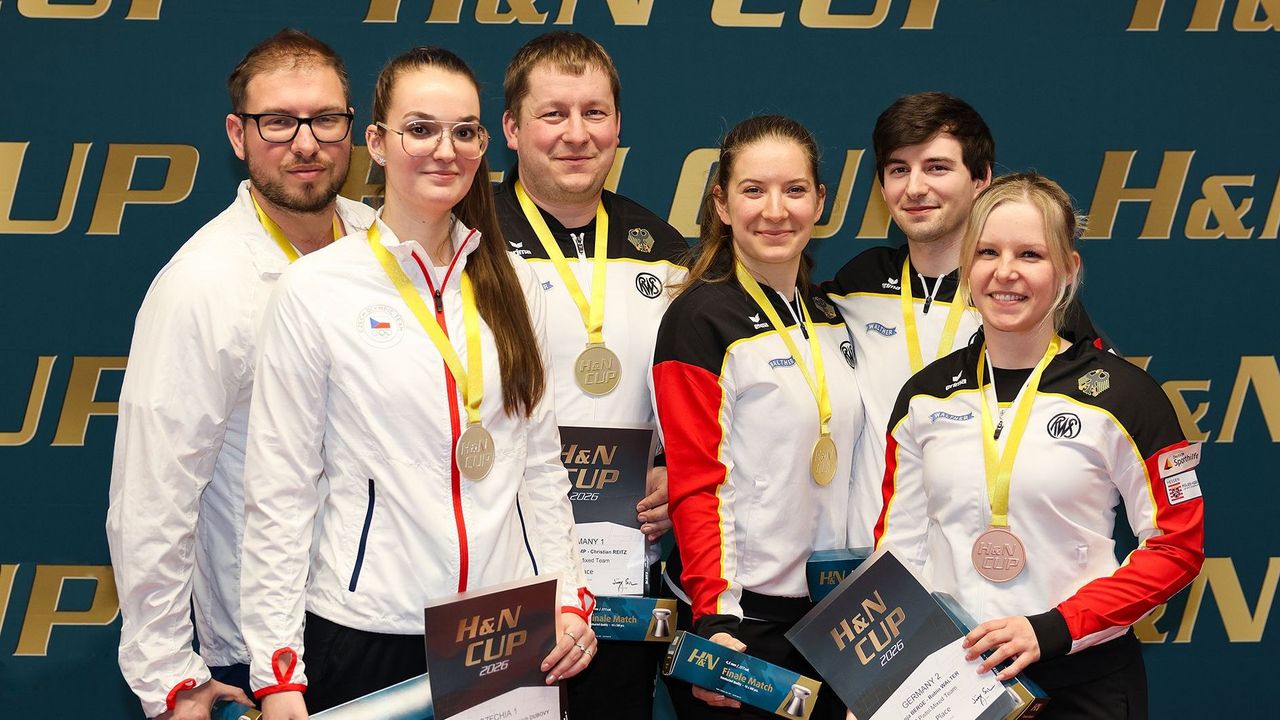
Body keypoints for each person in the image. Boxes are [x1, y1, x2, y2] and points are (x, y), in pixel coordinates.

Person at [238, 46, 594, 718]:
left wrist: (568, 595)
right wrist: (278, 671)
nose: (445, 150)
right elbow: (280, 491)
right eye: (421, 129)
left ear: (484, 144)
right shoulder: (317, 289)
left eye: (464, 131)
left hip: (506, 624)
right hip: (372, 629)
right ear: (377, 143)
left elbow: (540, 465)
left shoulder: (515, 284)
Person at [105, 29, 375, 720]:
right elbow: (153, 497)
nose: (306, 143)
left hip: (389, 624)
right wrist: (169, 676)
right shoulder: (201, 285)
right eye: (278, 122)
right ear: (238, 134)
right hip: (267, 649)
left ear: (353, 128)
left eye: (325, 119)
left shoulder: (388, 247)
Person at [874, 173, 1204, 718]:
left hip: (1083, 684)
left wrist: (1053, 628)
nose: (1005, 272)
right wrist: (875, 687)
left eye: (1030, 254)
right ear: (966, 264)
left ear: (1068, 270)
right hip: (952, 688)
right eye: (987, 252)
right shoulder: (923, 397)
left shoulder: (1126, 395)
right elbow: (897, 555)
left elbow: (1176, 547)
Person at [495, 31, 687, 718]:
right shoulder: (467, 242)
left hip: (622, 566)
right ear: (511, 129)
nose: (576, 134)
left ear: (618, 125)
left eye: (594, 112)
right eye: (553, 114)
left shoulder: (664, 251)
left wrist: (673, 474)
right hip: (500, 569)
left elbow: (688, 403)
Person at [652, 115, 860, 720]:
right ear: (721, 203)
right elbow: (696, 480)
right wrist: (715, 618)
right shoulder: (699, 319)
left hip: (830, 622)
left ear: (820, 201)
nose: (775, 210)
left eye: (794, 190)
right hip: (741, 623)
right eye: (753, 190)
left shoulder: (828, 315)